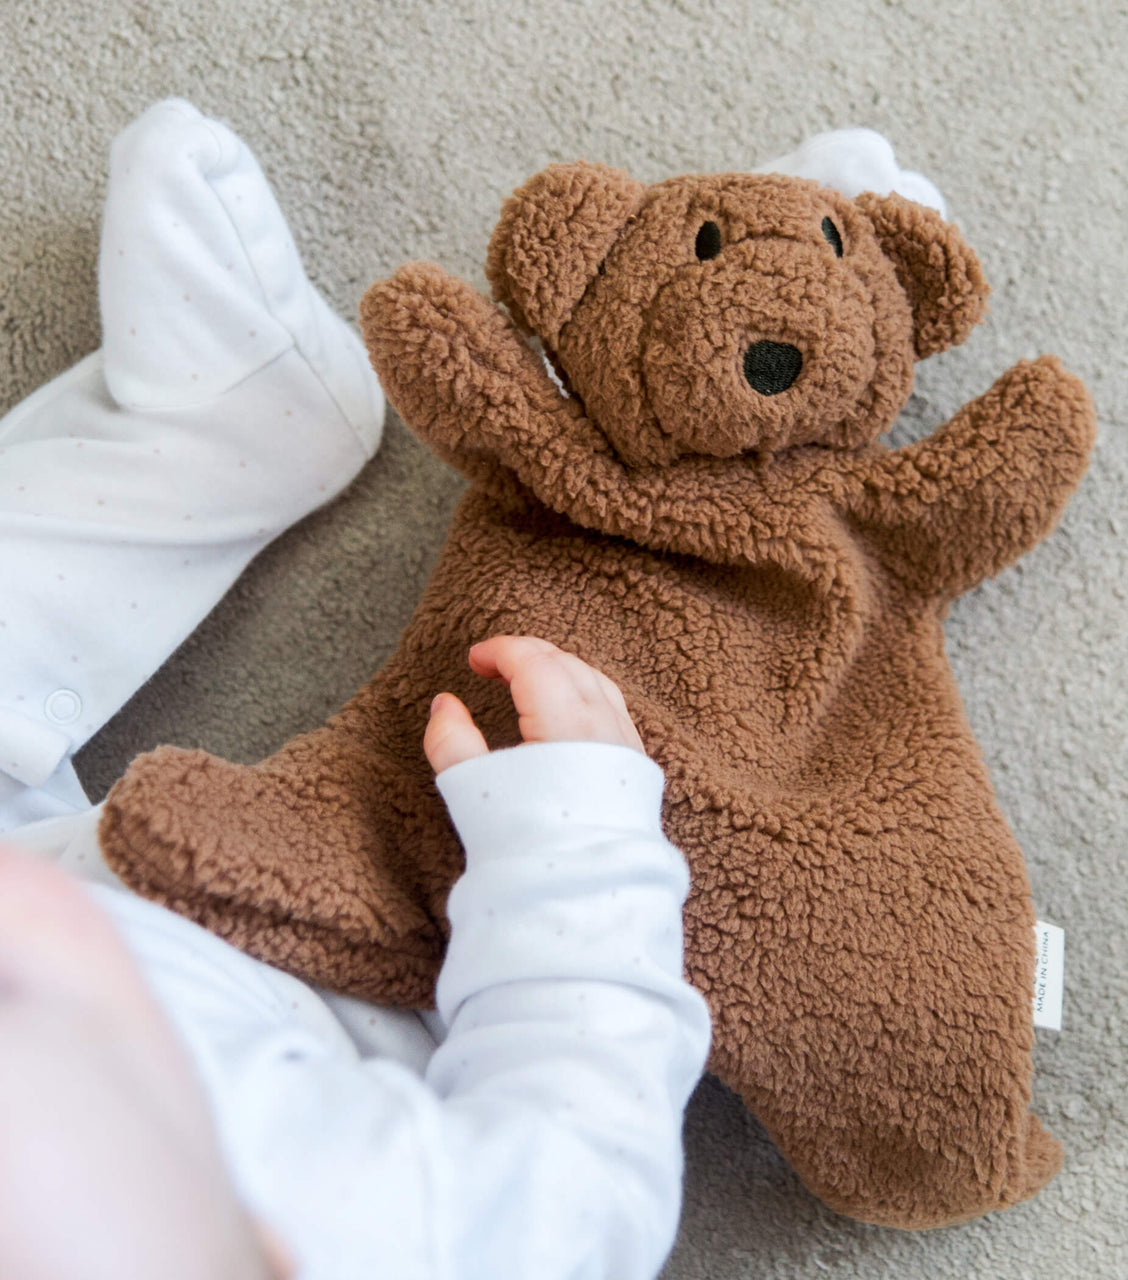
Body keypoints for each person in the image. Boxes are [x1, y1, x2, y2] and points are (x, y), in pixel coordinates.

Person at [0, 99, 711, 1280]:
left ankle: (217, 437)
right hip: (332, 930)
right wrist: (578, 844)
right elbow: (586, 1169)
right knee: (605, 670)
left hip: (90, 884)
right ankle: (716, 443)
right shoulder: (395, 1224)